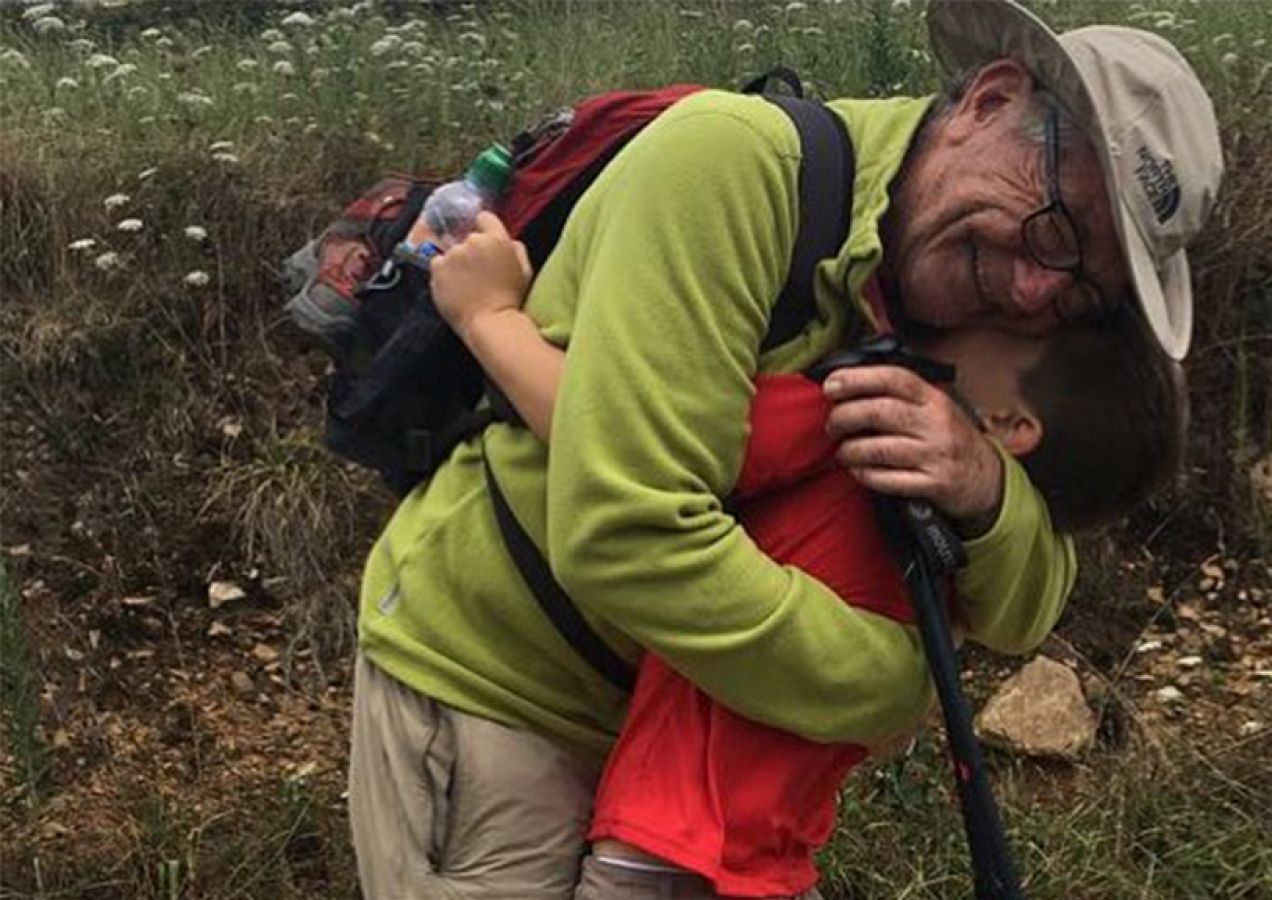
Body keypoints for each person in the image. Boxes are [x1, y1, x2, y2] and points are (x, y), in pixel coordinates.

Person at [346, 1, 1223, 896]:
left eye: (1078, 291)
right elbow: (627, 532)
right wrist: (900, 686)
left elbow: (1028, 606)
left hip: (670, 732)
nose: (1034, 289)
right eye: (1054, 227)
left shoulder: (963, 318)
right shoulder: (731, 170)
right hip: (499, 692)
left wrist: (985, 485)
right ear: (990, 100)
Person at [422, 236, 1186, 897]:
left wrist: (484, 316)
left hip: (668, 848)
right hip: (773, 861)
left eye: (1012, 329)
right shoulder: (969, 541)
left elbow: (620, 440)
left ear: (1010, 425)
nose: (995, 309)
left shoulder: (851, 417)